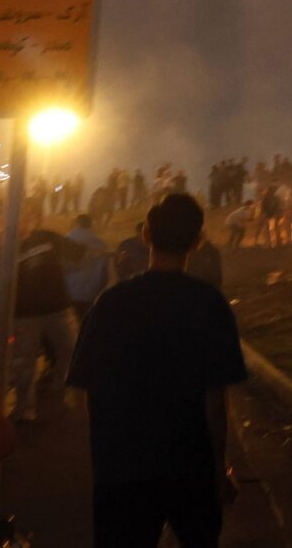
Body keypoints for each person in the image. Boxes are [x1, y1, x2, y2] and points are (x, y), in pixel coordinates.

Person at [67, 194, 247, 548]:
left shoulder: (110, 305)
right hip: (189, 467)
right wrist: (217, 469)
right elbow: (215, 400)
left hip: (121, 470)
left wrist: (105, 460)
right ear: (198, 240)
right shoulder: (209, 305)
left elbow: (88, 391)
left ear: (146, 235)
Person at [0, 214, 81, 422]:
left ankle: (62, 386)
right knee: (23, 365)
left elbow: (78, 254)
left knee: (72, 350)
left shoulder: (47, 237)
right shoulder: (3, 254)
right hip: (25, 317)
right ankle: (25, 409)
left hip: (58, 309)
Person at [65, 213, 112, 323]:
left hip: (70, 291)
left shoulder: (67, 241)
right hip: (91, 292)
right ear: (91, 225)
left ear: (76, 223)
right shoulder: (100, 243)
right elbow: (104, 272)